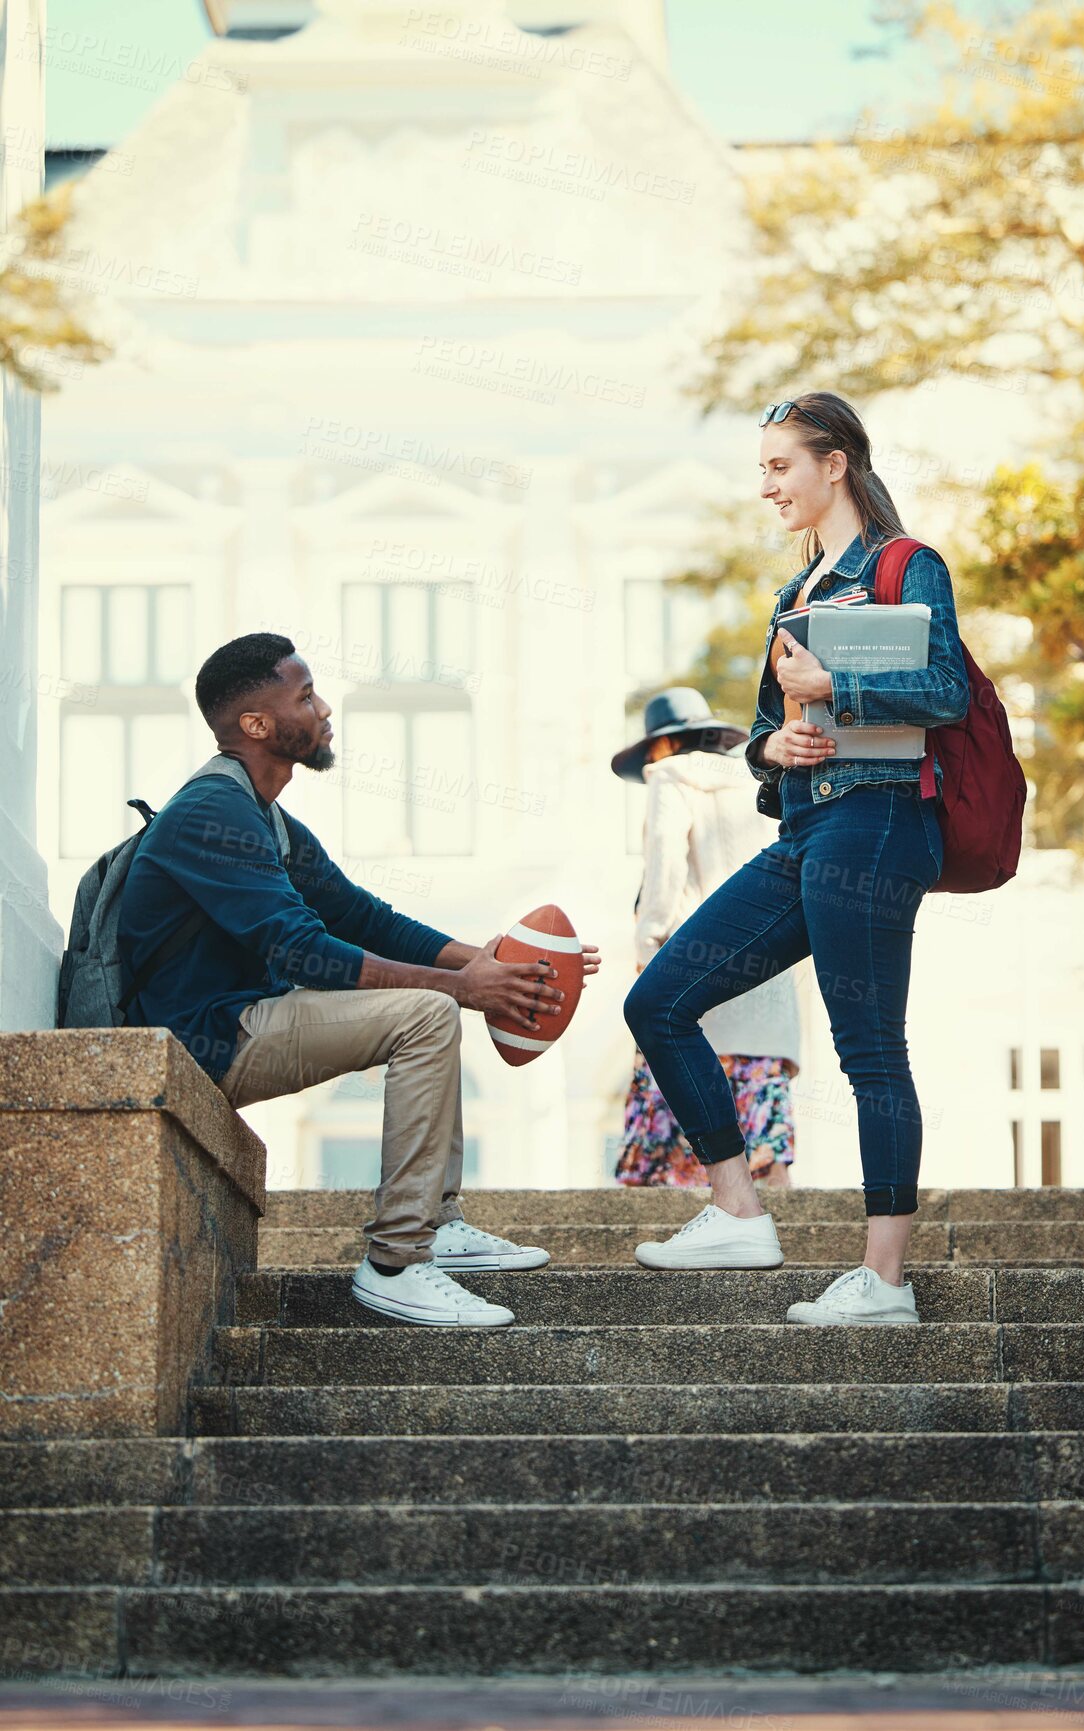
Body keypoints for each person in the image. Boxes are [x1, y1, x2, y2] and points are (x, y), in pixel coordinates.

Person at [118, 632, 600, 1328]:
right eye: (305, 696)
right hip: (206, 1040)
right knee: (427, 1013)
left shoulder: (268, 818)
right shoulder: (210, 812)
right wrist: (461, 989)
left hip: (247, 1020)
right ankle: (398, 1261)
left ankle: (437, 1218)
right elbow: (301, 952)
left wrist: (490, 963)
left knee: (430, 1001)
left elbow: (363, 917)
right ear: (256, 724)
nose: (324, 709)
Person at [624, 392, 968, 1322]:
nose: (768, 485)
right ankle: (737, 1206)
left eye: (782, 466)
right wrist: (772, 749)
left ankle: (884, 1279)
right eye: (763, 469)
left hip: (884, 822)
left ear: (835, 465)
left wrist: (838, 687)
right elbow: (765, 737)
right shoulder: (794, 594)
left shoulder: (908, 565)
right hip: (805, 829)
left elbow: (946, 689)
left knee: (869, 1049)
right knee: (657, 999)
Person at [610, 688, 801, 1189]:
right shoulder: (760, 777)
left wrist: (649, 945)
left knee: (674, 1112)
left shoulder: (668, 777)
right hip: (767, 973)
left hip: (695, 966)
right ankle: (790, 1242)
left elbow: (665, 871)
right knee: (765, 1138)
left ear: (660, 747)